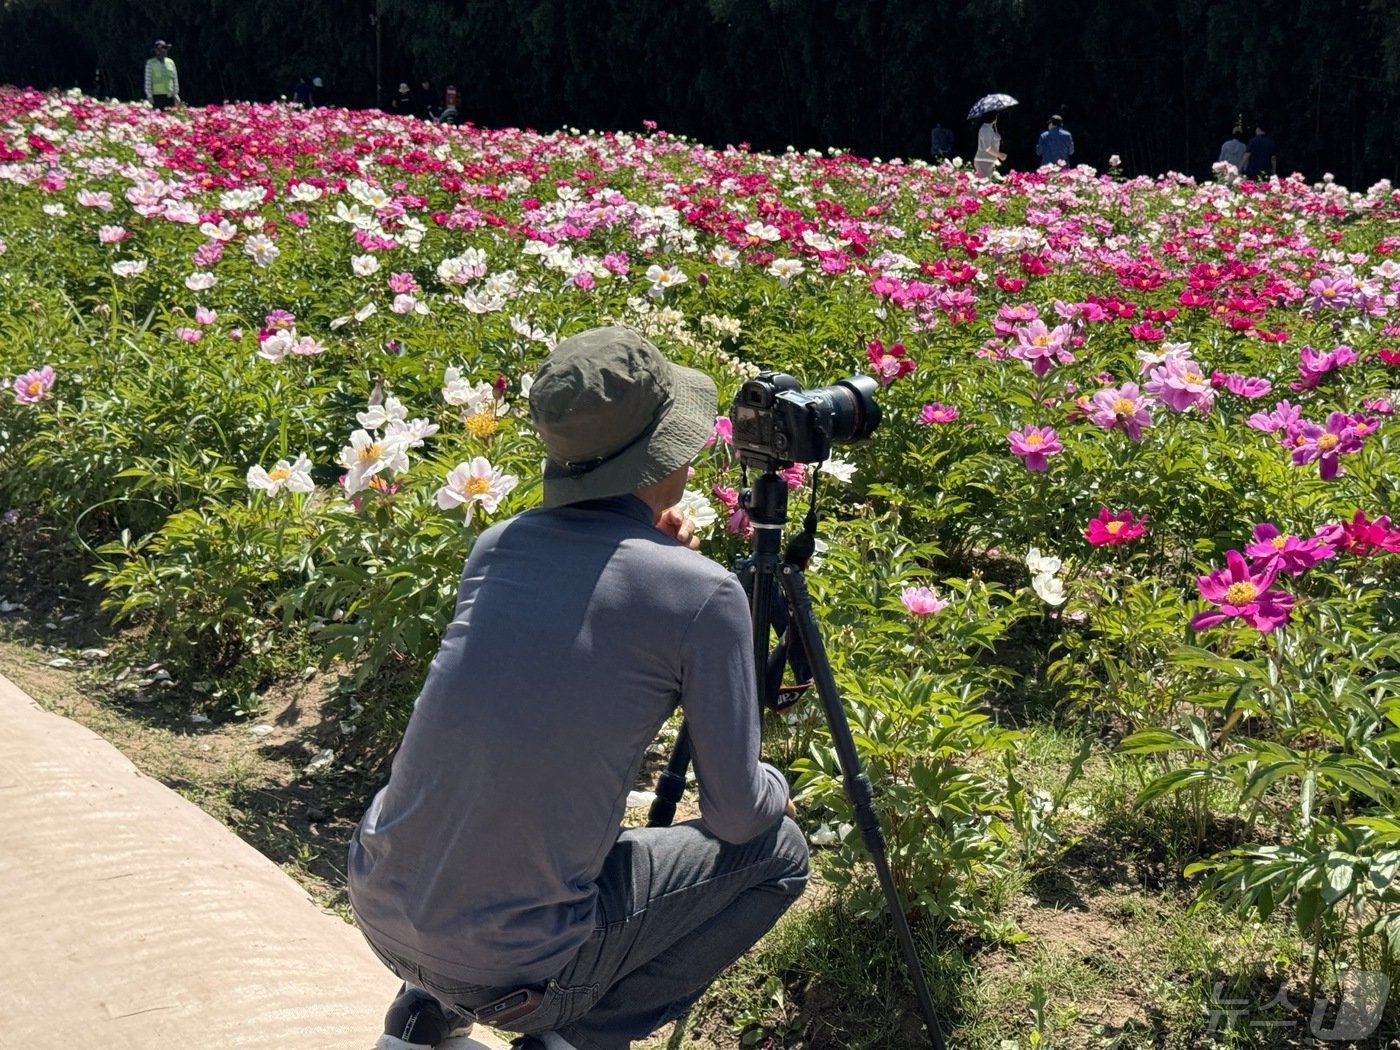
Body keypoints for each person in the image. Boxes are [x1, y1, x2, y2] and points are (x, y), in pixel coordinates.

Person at [348, 326, 809, 1050]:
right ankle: (576, 1039)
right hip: (514, 973)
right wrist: (774, 784)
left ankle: (424, 1011)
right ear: (665, 452)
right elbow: (738, 816)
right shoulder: (702, 595)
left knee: (491, 798)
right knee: (778, 853)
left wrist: (658, 556)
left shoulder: (497, 544)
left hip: (378, 905)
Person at [143, 40, 179, 110]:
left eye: (164, 49)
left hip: (170, 95)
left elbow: (175, 79)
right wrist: (149, 95)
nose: (163, 51)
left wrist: (176, 94)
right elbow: (148, 80)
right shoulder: (150, 63)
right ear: (156, 51)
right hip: (157, 97)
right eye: (159, 49)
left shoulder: (170, 62)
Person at [974, 112, 1007, 177]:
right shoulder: (986, 129)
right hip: (983, 161)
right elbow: (988, 148)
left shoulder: (990, 128)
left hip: (987, 161)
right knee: (985, 184)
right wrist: (999, 155)